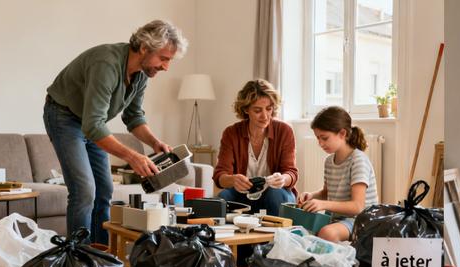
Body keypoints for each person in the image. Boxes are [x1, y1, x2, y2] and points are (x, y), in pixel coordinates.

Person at [43, 20, 187, 244]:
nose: (166, 67)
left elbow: (133, 117)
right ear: (144, 48)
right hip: (63, 115)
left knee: (104, 189)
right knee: (84, 190)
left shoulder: (140, 74)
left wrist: (154, 143)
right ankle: (78, 259)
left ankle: (101, 255)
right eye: (163, 58)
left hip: (90, 120)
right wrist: (132, 156)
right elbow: (93, 125)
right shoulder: (106, 64)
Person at [213, 79, 299, 215]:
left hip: (276, 193)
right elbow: (220, 176)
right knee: (223, 199)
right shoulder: (231, 133)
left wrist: (283, 179)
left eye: (269, 109)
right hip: (242, 194)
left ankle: (276, 235)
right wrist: (233, 180)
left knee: (274, 195)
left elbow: (291, 173)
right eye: (257, 110)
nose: (265, 116)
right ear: (246, 109)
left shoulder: (284, 131)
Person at [298, 106, 378, 242]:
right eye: (318, 138)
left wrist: (323, 205)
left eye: (324, 138)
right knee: (299, 229)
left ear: (342, 134)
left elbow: (358, 207)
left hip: (361, 221)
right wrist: (311, 196)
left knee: (327, 233)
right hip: (338, 219)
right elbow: (326, 192)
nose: (320, 143)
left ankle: (339, 261)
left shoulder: (358, 160)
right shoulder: (329, 161)